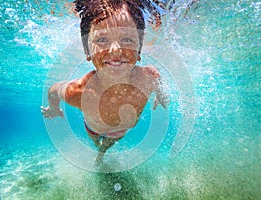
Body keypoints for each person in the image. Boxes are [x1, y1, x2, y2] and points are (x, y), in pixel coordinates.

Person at [41, 0, 169, 164]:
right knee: (95, 141)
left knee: (108, 144)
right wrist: (53, 108)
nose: (115, 50)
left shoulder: (148, 77)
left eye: (127, 39)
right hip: (94, 128)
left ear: (139, 50)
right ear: (88, 51)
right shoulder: (79, 92)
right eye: (101, 40)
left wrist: (160, 93)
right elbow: (54, 89)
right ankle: (97, 148)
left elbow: (156, 76)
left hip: (122, 130)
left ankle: (101, 153)